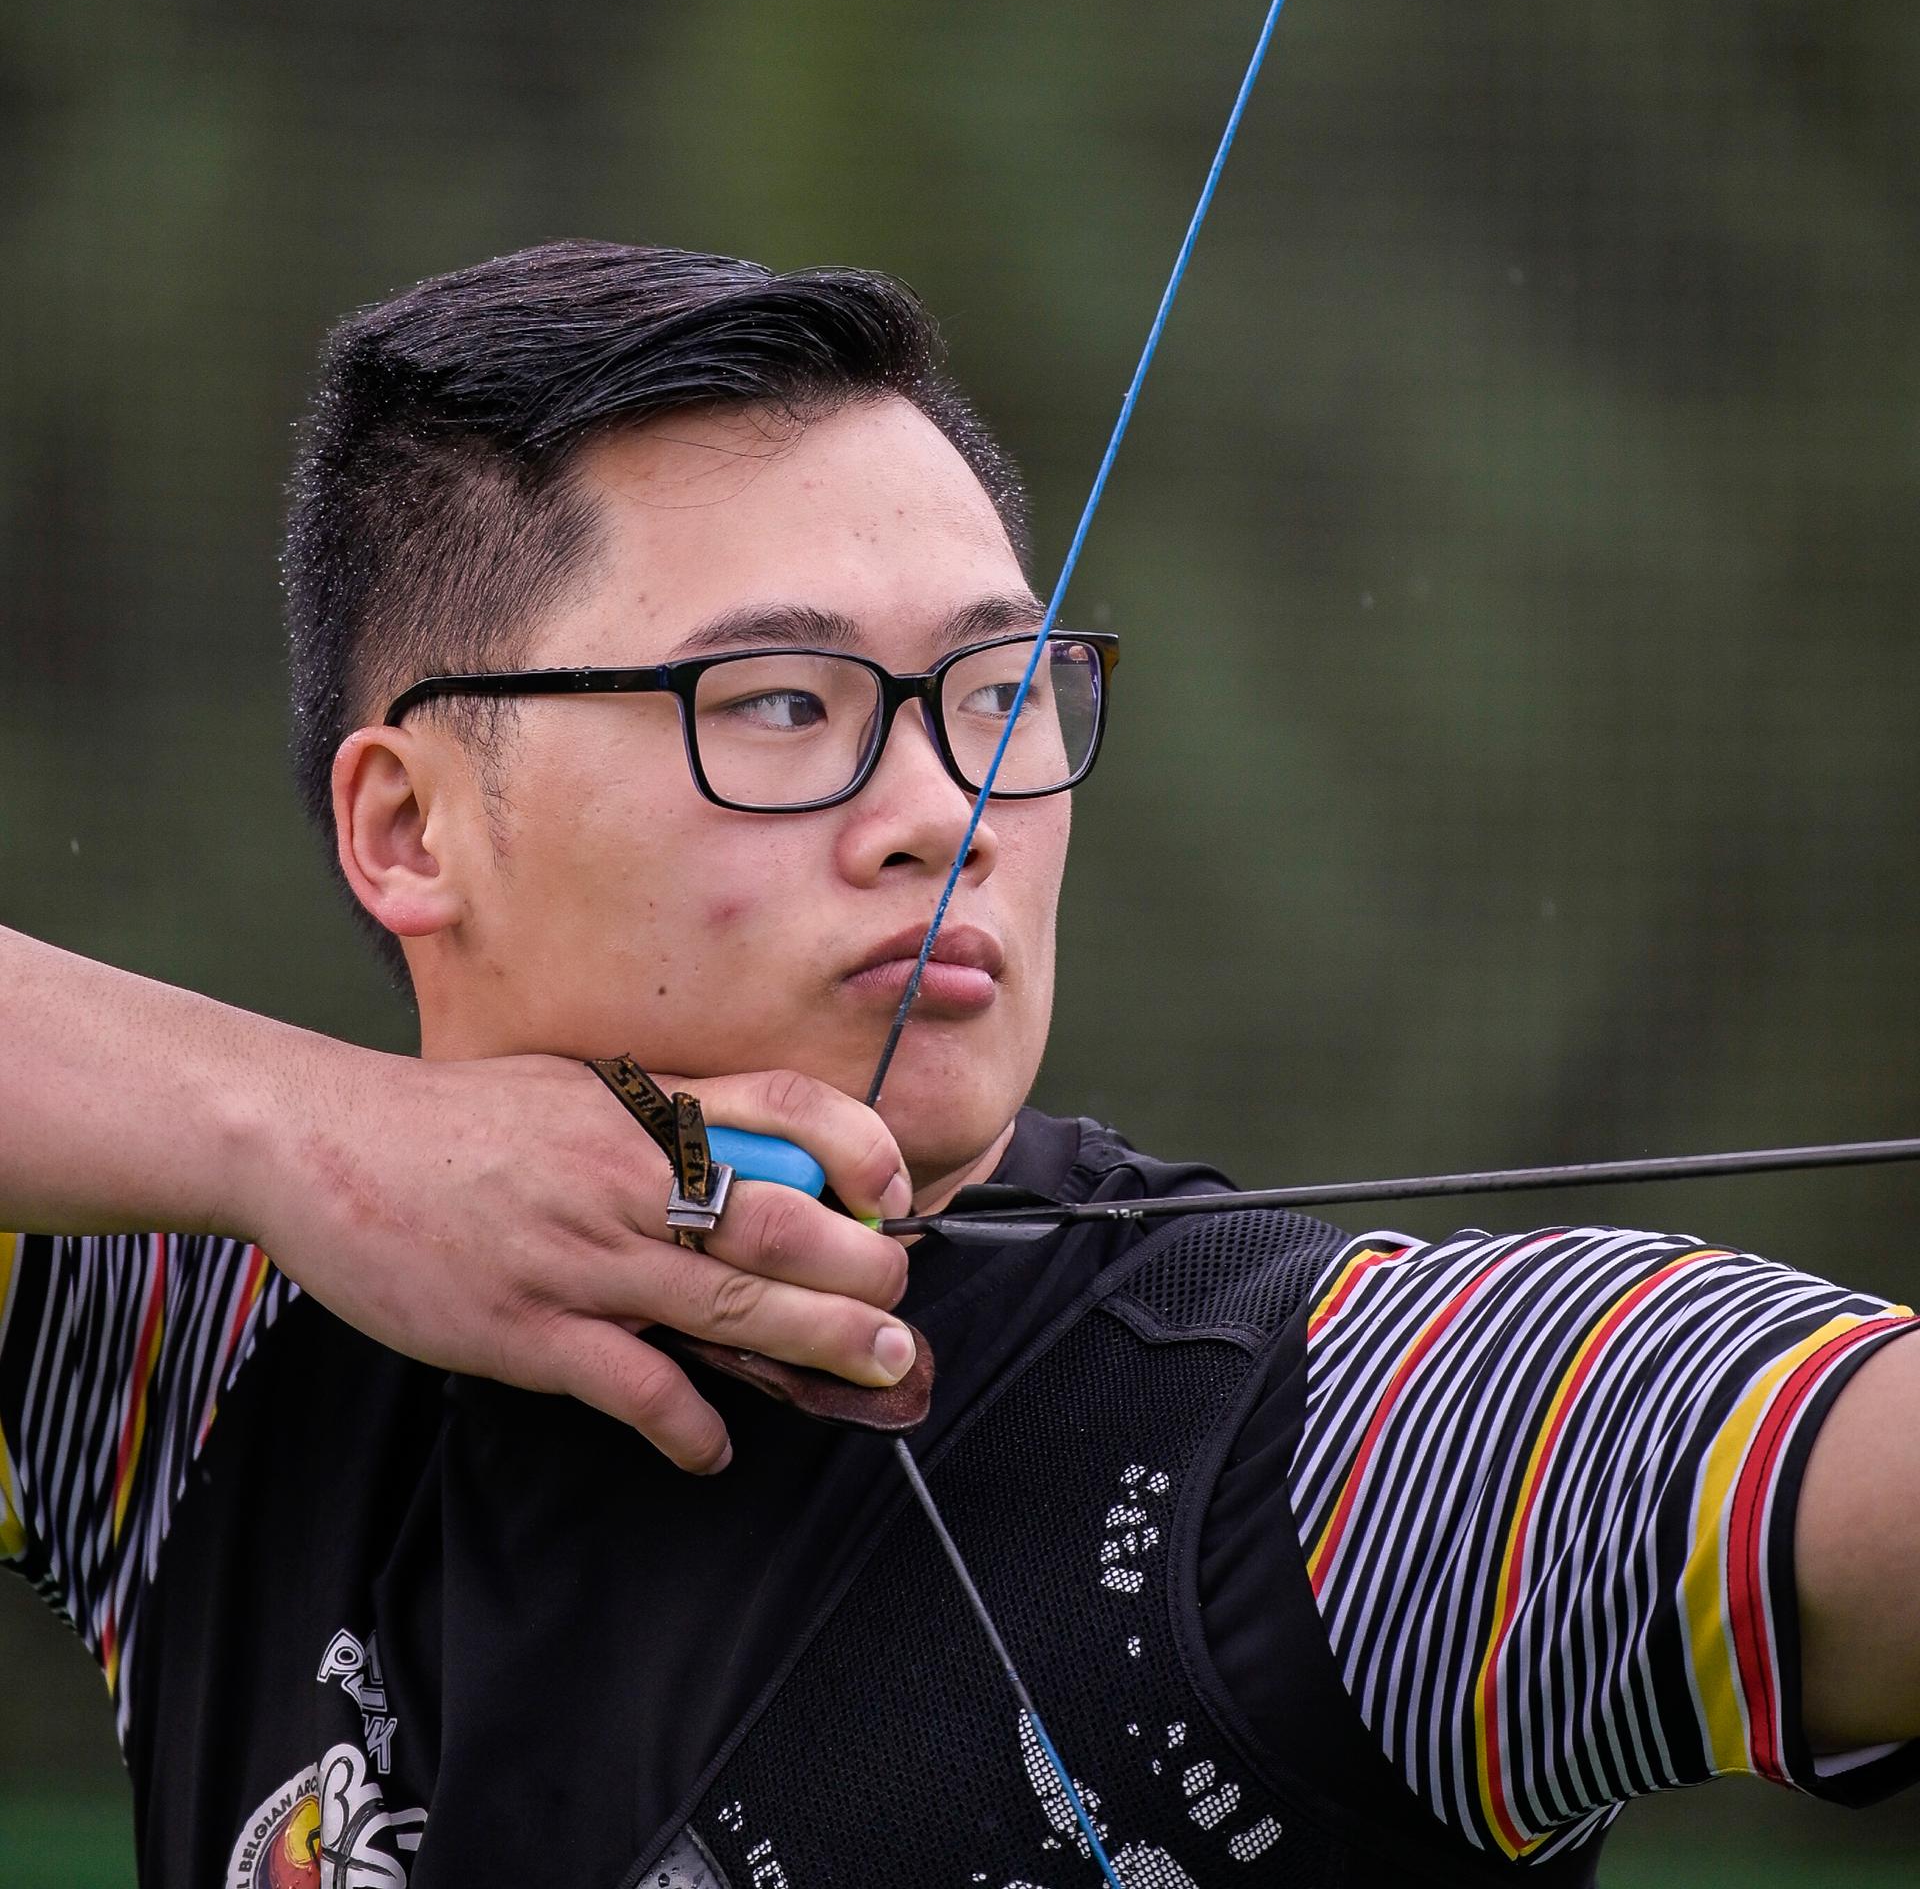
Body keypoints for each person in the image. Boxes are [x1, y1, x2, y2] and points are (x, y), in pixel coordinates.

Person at [2, 240, 1917, 1888]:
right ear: (411, 830)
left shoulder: (1341, 1453)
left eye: (1000, 696)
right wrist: (300, 1138)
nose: (946, 807)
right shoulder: (198, 1362)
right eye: (776, 704)